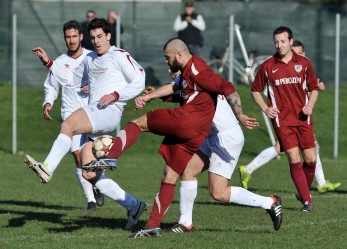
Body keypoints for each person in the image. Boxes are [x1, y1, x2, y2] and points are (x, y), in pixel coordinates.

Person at [92, 37, 259, 237]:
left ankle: (112, 154)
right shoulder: (188, 72)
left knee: (137, 123)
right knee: (171, 175)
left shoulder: (198, 70)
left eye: (167, 57)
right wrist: (149, 96)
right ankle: (153, 225)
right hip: (199, 135)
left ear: (179, 54)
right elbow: (175, 87)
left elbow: (227, 87)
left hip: (191, 123)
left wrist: (240, 114)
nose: (166, 62)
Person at [25, 17, 146, 230]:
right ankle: (134, 205)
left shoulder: (118, 55)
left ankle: (47, 167)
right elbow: (70, 80)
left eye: (100, 36)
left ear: (109, 36)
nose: (97, 41)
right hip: (95, 113)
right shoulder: (90, 61)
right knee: (88, 173)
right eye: (93, 38)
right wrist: (49, 63)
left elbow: (140, 79)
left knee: (68, 125)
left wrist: (117, 95)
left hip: (108, 112)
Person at [135, 74, 283, 237]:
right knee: (188, 171)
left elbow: (229, 90)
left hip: (227, 138)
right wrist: (155, 94)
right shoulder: (188, 80)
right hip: (212, 136)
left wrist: (240, 114)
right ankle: (185, 222)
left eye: (171, 63)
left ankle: (269, 203)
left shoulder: (197, 76)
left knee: (218, 193)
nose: (170, 69)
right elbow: (179, 93)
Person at [239, 40, 341, 194]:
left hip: (298, 118)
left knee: (287, 148)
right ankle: (319, 184)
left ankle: (248, 169)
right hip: (286, 117)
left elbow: (304, 91)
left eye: (300, 53)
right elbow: (289, 93)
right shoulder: (277, 67)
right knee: (296, 149)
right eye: (296, 53)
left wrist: (316, 89)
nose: (297, 55)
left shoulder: (304, 66)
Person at [33, 20, 104, 211]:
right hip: (70, 115)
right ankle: (90, 199)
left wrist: (94, 86)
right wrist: (48, 102)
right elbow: (51, 86)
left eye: (74, 36)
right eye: (68, 37)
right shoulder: (59, 62)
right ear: (65, 38)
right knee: (79, 158)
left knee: (93, 158)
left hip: (92, 114)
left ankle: (99, 183)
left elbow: (105, 78)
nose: (71, 40)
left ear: (81, 37)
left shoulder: (93, 57)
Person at [251, 27, 320, 212]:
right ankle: (307, 201)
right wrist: (265, 108)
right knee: (292, 156)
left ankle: (302, 191)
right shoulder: (267, 66)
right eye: (276, 42)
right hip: (282, 121)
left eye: (283, 41)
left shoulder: (304, 64)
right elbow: (255, 90)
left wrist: (310, 106)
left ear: (291, 41)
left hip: (303, 118)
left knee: (311, 159)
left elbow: (314, 88)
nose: (279, 45)